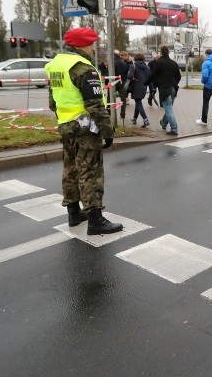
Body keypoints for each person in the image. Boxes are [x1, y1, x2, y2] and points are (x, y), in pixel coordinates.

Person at [44, 27, 122, 235]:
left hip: (66, 125)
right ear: (81, 45)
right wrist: (107, 131)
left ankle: (74, 213)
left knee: (70, 168)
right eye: (91, 44)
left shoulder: (56, 65)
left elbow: (53, 101)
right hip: (86, 127)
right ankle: (95, 220)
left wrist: (65, 119)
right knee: (91, 171)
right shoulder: (82, 68)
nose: (94, 48)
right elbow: (95, 104)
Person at [150, 46, 181, 136]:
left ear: (161, 52)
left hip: (165, 89)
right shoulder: (174, 63)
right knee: (169, 108)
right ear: (168, 52)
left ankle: (174, 129)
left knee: (168, 109)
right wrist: (174, 83)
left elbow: (153, 75)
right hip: (173, 89)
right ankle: (163, 123)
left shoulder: (158, 63)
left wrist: (146, 83)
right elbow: (178, 76)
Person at [126, 52, 151, 127]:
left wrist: (133, 79)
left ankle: (145, 119)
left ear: (135, 58)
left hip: (136, 87)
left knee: (138, 103)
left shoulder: (133, 66)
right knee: (138, 102)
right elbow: (150, 79)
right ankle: (134, 118)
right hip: (144, 87)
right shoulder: (147, 67)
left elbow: (129, 76)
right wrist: (152, 90)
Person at [117, 50, 132, 120]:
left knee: (123, 97)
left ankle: (121, 114)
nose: (127, 57)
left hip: (122, 81)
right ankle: (122, 114)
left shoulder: (128, 62)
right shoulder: (125, 63)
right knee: (123, 98)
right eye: (125, 56)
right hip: (123, 81)